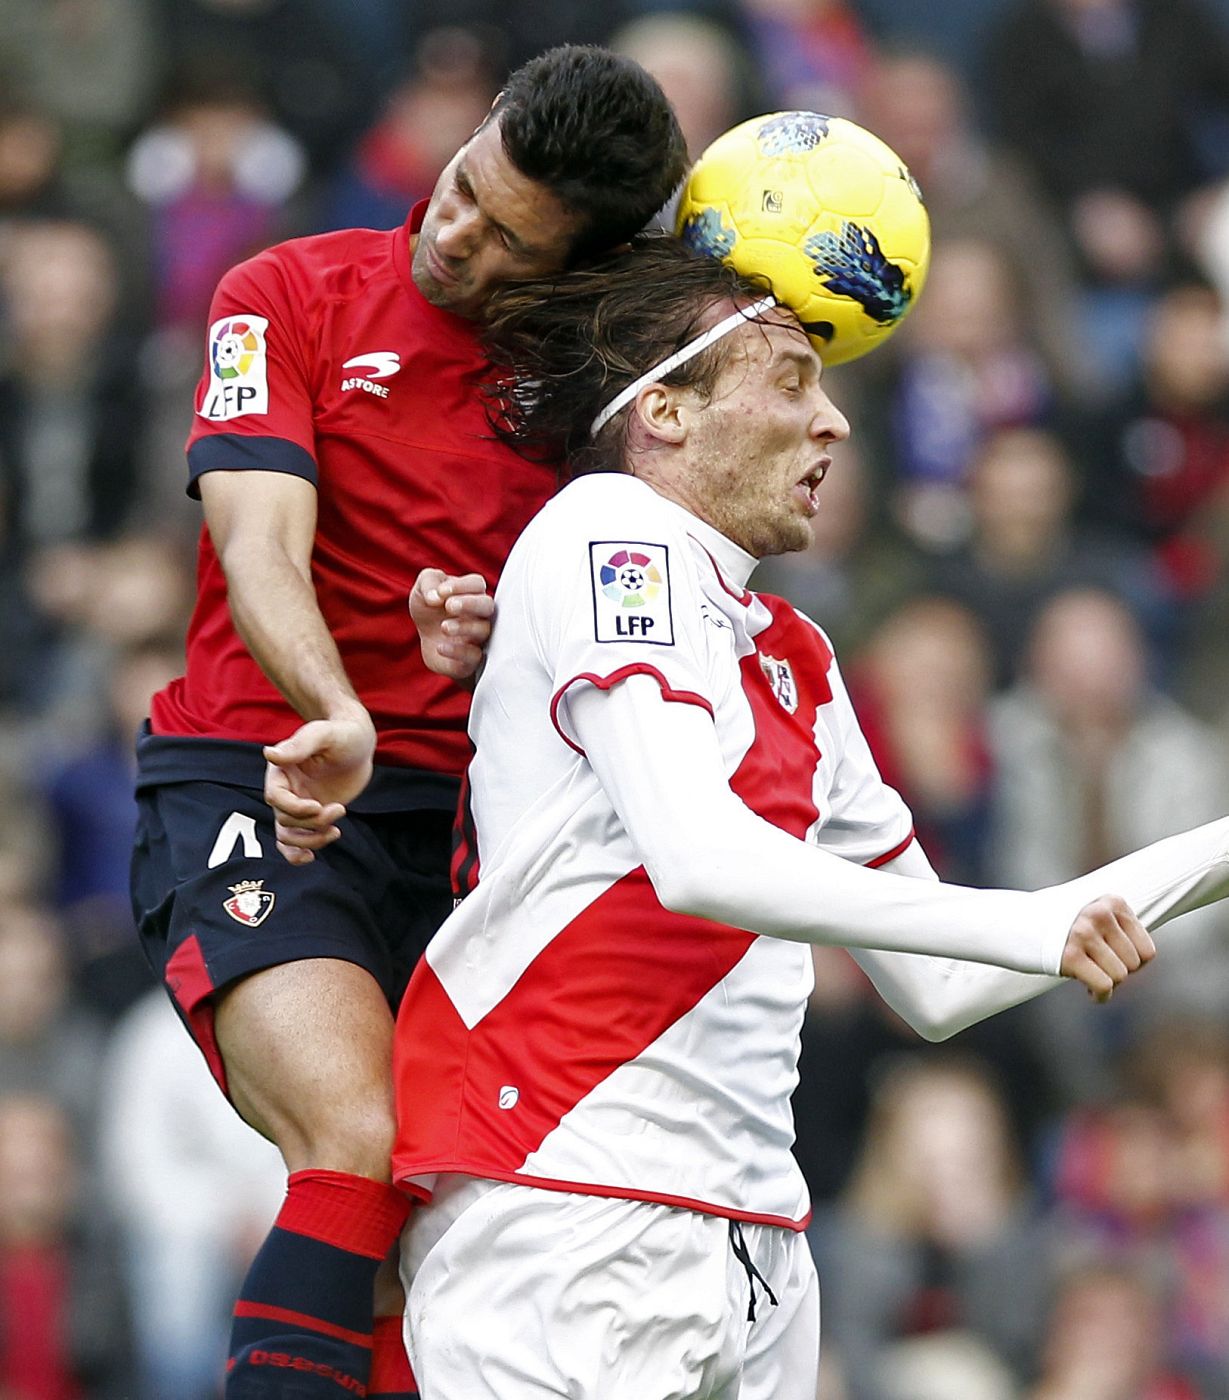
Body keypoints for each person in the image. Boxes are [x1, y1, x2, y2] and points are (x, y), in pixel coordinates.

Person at [388, 235, 1229, 1398]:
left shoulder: (797, 657)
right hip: (565, 1194)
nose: (832, 422)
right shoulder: (606, 532)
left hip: (759, 1241)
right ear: (665, 412)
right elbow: (694, 858)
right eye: (791, 380)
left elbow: (937, 985)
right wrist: (1030, 925)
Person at [129, 45, 687, 1400]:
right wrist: (338, 707)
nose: (454, 236)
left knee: (442, 1219)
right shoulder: (282, 293)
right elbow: (258, 540)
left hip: (484, 830)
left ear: (578, 263)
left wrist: (500, 636)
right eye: (459, 191)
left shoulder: (596, 398)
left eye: (507, 241)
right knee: (355, 1134)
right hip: (262, 781)